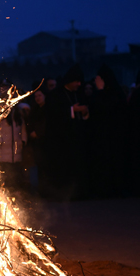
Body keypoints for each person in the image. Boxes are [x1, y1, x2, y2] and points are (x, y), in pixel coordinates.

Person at [44, 64, 89, 200]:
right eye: (77, 81)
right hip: (61, 140)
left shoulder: (79, 93)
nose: (79, 84)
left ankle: (78, 193)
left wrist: (85, 112)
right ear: (70, 80)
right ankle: (62, 195)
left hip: (77, 138)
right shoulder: (55, 95)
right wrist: (71, 110)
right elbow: (53, 115)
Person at [88, 64, 129, 197]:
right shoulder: (114, 92)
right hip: (105, 136)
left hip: (113, 136)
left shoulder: (114, 93)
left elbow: (105, 109)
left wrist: (100, 90)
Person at [0, 104, 28, 191]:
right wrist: (0, 140)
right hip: (5, 149)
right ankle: (7, 190)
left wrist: (23, 141)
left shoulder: (18, 117)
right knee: (6, 172)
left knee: (16, 172)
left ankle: (15, 191)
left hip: (17, 150)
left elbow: (23, 130)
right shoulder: (2, 117)